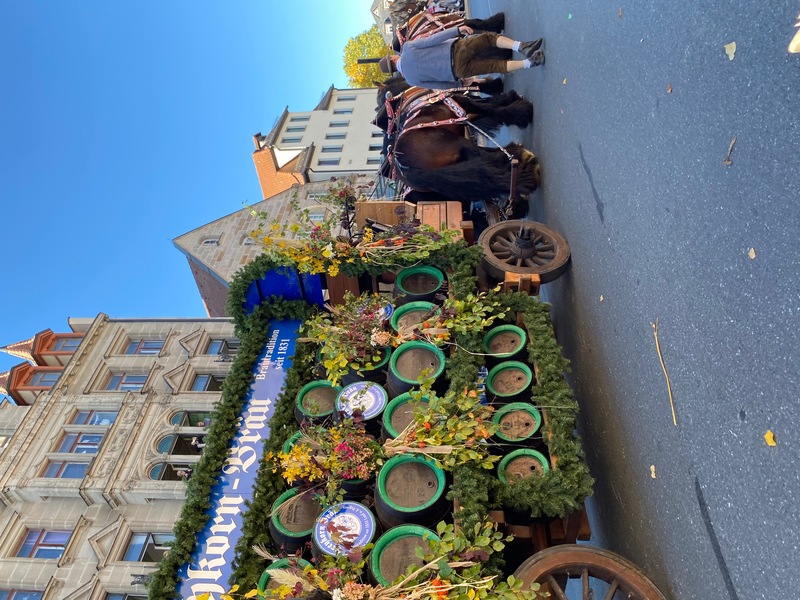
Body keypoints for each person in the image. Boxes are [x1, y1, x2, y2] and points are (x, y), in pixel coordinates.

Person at [379, 25, 543, 89]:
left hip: (458, 71)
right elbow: (433, 39)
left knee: (496, 67)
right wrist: (457, 30)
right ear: (392, 59)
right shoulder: (407, 48)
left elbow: (438, 85)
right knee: (489, 39)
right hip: (456, 50)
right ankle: (521, 46)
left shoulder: (411, 80)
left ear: (393, 71)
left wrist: (459, 83)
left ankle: (531, 62)